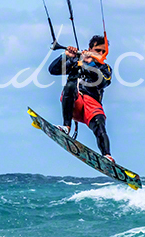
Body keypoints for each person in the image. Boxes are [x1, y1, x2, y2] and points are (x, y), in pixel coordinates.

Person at [47, 35, 114, 163]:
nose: (100, 53)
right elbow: (53, 70)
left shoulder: (105, 68)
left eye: (103, 52)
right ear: (90, 49)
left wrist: (90, 63)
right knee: (70, 85)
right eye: (97, 50)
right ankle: (66, 127)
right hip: (75, 103)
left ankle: (107, 156)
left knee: (99, 123)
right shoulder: (77, 61)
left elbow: (102, 82)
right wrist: (66, 55)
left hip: (92, 105)